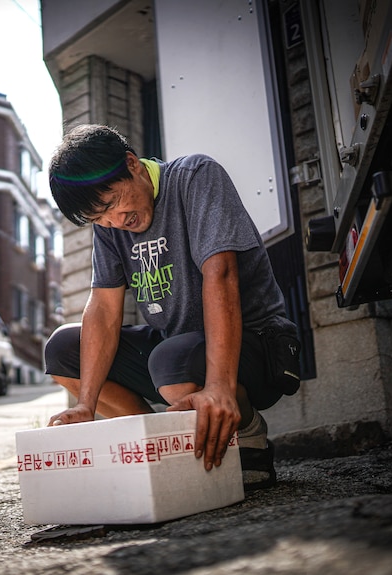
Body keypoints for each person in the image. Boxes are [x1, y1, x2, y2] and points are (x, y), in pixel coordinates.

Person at [44, 124, 301, 489]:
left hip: (255, 345)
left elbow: (221, 274)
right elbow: (103, 308)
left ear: (132, 164)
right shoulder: (109, 226)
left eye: (112, 204)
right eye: (100, 219)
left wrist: (219, 386)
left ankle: (250, 438)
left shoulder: (195, 176)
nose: (116, 222)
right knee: (63, 350)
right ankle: (162, 451)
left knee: (170, 361)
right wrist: (86, 404)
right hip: (176, 347)